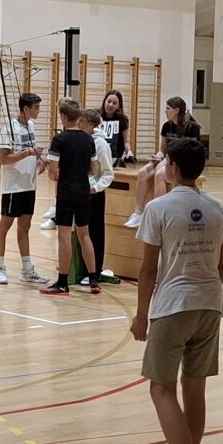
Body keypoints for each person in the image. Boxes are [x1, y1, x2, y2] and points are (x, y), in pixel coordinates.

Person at [128, 137, 223, 444]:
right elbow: (222, 267)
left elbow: (147, 270)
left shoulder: (158, 208)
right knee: (195, 390)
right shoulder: (218, 208)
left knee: (161, 389)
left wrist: (141, 316)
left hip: (173, 307)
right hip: (210, 305)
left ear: (171, 167)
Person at [45, 99, 100, 295]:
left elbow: (53, 172)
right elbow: (94, 169)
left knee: (64, 236)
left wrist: (56, 173)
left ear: (63, 116)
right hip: (84, 191)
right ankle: (93, 279)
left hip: (66, 192)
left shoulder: (59, 140)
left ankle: (62, 282)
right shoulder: (88, 139)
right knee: (84, 235)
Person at [0, 91, 44, 287]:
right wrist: (29, 152)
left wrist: (39, 161)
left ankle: (27, 270)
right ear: (26, 108)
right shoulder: (9, 128)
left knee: (25, 227)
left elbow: (31, 152)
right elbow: (4, 159)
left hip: (29, 184)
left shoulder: (31, 126)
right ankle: (0, 268)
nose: (39, 111)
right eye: (36, 107)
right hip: (13, 186)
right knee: (5, 225)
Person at [125, 96, 201, 228]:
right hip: (168, 160)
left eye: (168, 108)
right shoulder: (167, 126)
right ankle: (138, 214)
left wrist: (166, 161)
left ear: (176, 110)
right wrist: (157, 158)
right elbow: (162, 150)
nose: (165, 111)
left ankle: (157, 215)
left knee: (160, 174)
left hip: (183, 162)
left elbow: (191, 152)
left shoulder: (190, 127)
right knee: (143, 172)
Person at [82, 108, 119, 286]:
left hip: (94, 195)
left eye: (82, 121)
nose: (78, 124)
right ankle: (82, 269)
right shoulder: (81, 140)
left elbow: (108, 174)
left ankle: (94, 272)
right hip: (80, 193)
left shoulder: (101, 144)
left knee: (95, 233)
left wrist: (95, 188)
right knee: (82, 232)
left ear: (91, 124)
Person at [97, 89, 133, 165]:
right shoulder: (96, 116)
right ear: (104, 101)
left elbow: (126, 141)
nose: (110, 105)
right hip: (98, 156)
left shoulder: (122, 119)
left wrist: (129, 152)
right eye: (109, 101)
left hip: (115, 158)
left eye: (114, 103)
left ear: (118, 105)